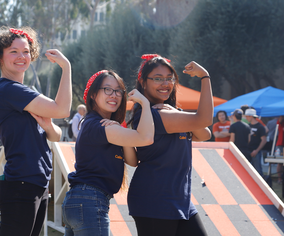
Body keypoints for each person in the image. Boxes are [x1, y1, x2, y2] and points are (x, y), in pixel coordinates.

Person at [0, 26, 71, 236]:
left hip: (36, 183)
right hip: (21, 184)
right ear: (0, 56)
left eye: (25, 51)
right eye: (13, 51)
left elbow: (55, 135)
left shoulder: (27, 93)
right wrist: (67, 67)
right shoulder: (9, 89)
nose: (21, 56)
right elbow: (62, 110)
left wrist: (48, 126)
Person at [128, 54, 212, 236]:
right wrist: (205, 77)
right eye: (158, 79)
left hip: (180, 200)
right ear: (143, 82)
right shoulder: (152, 115)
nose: (165, 84)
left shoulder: (170, 112)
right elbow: (205, 119)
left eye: (169, 78)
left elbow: (205, 133)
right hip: (154, 200)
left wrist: (175, 110)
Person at [62, 70, 154, 235]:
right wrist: (146, 104)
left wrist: (120, 128)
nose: (114, 95)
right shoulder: (98, 125)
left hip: (82, 200)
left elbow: (132, 161)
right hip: (90, 200)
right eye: (107, 89)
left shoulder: (107, 126)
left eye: (118, 90)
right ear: (93, 95)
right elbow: (146, 138)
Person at [245, 108, 267, 178]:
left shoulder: (260, 127)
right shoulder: (247, 125)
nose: (246, 118)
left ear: (251, 116)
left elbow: (264, 140)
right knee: (247, 170)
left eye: (247, 116)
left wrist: (256, 150)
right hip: (248, 151)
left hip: (256, 151)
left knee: (258, 171)